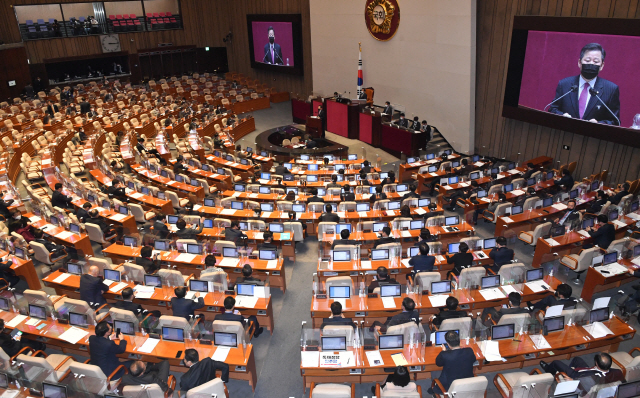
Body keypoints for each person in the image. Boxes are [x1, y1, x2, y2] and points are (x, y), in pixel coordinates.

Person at [548, 43, 620, 125]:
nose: (591, 64)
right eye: (587, 60)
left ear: (602, 66)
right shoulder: (564, 84)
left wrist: (599, 124)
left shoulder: (611, 89)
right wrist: (562, 116)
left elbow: (615, 121)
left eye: (596, 61)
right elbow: (552, 109)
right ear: (579, 62)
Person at [539, 353, 624, 394]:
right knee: (577, 359)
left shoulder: (591, 379)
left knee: (555, 362)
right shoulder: (618, 372)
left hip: (576, 375)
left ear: (597, 364)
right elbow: (623, 384)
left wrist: (572, 380)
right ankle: (569, 368)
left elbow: (581, 390)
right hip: (588, 370)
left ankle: (549, 369)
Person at [431, 331, 476, 395]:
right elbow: (473, 360)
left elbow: (438, 363)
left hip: (450, 387)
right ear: (459, 341)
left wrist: (443, 352)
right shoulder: (469, 351)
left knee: (434, 373)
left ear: (448, 344)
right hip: (468, 384)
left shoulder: (444, 355)